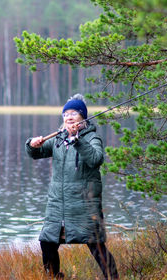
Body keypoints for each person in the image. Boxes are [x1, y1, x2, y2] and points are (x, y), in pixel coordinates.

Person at [25, 94, 119, 280]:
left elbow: (95, 159)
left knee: (96, 245)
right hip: (57, 206)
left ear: (83, 116)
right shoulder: (58, 139)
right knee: (47, 243)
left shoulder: (92, 137)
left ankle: (113, 278)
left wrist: (77, 140)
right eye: (65, 114)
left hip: (83, 205)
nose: (69, 117)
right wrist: (32, 144)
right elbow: (35, 154)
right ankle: (55, 277)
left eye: (74, 113)